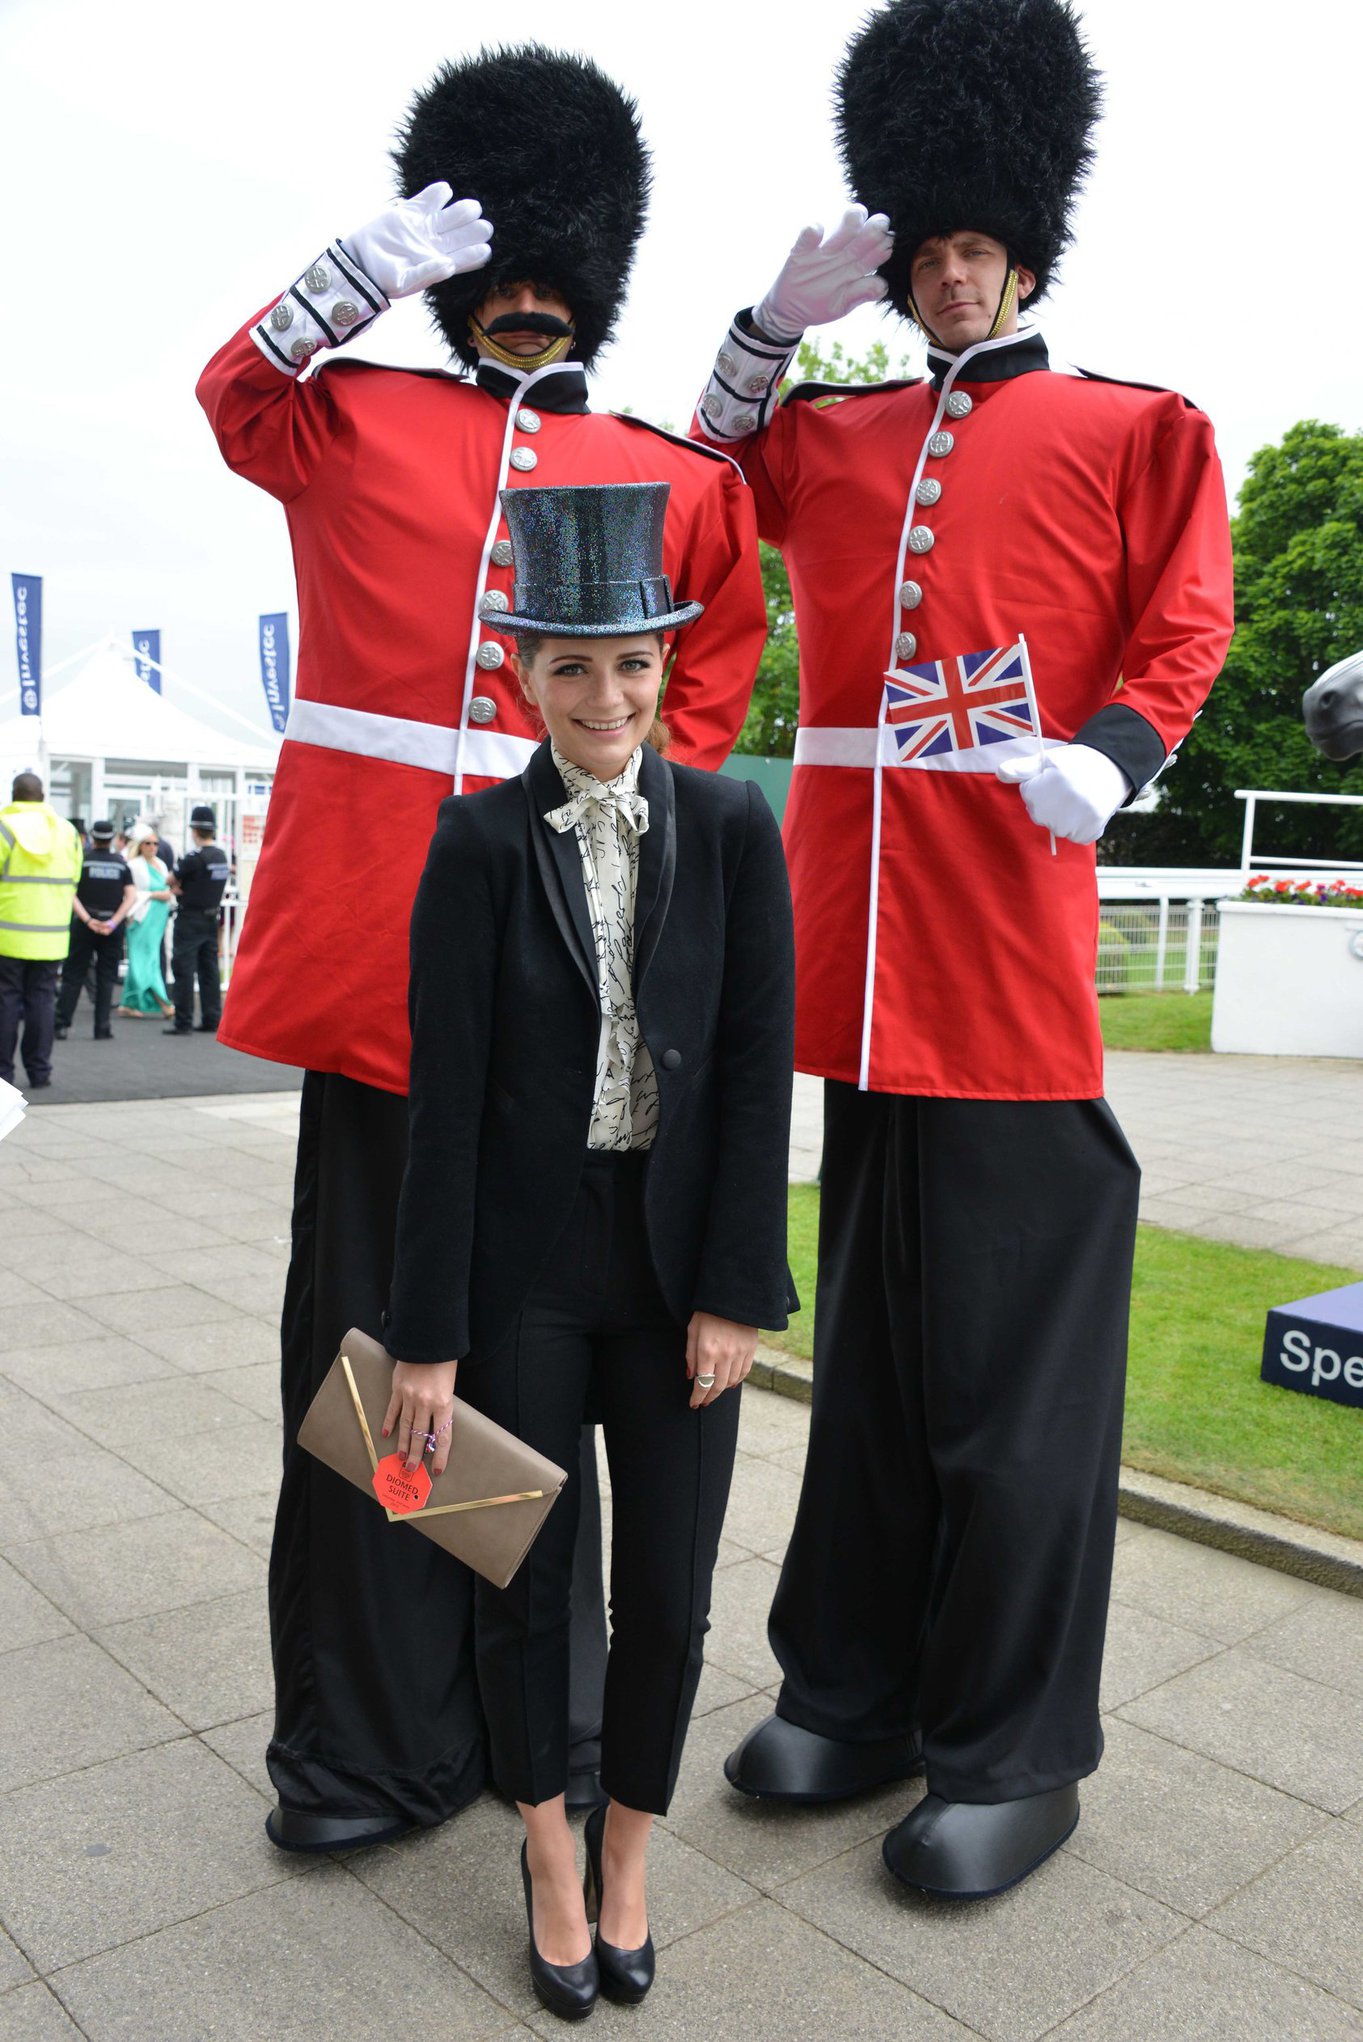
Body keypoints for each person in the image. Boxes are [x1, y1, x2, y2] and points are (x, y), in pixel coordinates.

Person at [195, 45, 766, 1852]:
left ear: (595, 269)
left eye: (551, 262)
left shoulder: (663, 475)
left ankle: (549, 1727)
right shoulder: (352, 414)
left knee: (553, 1381)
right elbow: (232, 395)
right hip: (380, 983)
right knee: (377, 1377)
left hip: (573, 1011)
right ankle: (378, 1729)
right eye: (494, 263)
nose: (524, 293)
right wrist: (357, 270)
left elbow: (696, 699)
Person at [693, 0, 1235, 1898]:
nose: (941, 278)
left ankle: (1010, 1743)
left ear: (1023, 246)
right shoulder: (829, 435)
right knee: (869, 1377)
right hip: (855, 980)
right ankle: (848, 1681)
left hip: (1003, 969)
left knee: (1013, 1405)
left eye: (968, 250)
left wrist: (1112, 753)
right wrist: (762, 336)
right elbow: (699, 488)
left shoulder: (1132, 425)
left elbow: (1184, 622)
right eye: (920, 253)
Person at [384, 481, 795, 2018]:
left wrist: (737, 1288)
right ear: (524, 676)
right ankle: (547, 1860)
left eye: (627, 662)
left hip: (677, 1272)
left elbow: (758, 1067)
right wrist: (428, 1334)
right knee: (527, 1581)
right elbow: (443, 1103)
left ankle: (630, 1852)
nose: (602, 693)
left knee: (672, 1595)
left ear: (662, 668)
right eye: (569, 665)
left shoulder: (734, 823)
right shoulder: (476, 840)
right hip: (521, 1274)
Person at [0, 772, 83, 1090]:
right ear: (43, 795)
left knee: (6, 1001)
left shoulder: (4, 827)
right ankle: (40, 1071)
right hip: (52, 935)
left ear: (13, 795)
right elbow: (74, 878)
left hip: (7, 934)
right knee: (42, 1001)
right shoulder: (67, 831)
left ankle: (3, 1074)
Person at [55, 821, 137, 1043]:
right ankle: (102, 1027)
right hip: (112, 926)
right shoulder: (121, 864)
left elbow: (70, 893)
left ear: (93, 836)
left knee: (73, 975)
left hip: (84, 925)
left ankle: (61, 1025)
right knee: (106, 977)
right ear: (111, 838)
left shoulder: (82, 861)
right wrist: (113, 921)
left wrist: (88, 919)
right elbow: (131, 896)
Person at [163, 804, 229, 1036]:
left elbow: (169, 879)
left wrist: (180, 886)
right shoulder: (221, 856)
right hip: (211, 918)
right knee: (209, 971)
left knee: (184, 969)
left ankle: (183, 1021)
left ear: (194, 830)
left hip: (190, 919)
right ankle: (212, 1018)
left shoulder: (193, 858)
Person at [118, 823, 175, 1020]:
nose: (152, 847)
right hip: (141, 917)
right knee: (145, 960)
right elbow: (131, 893)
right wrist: (155, 894)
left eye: (155, 843)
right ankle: (164, 1002)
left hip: (158, 918)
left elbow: (168, 888)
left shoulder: (161, 863)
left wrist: (165, 895)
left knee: (146, 959)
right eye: (148, 843)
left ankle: (129, 1002)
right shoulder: (134, 865)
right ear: (140, 845)